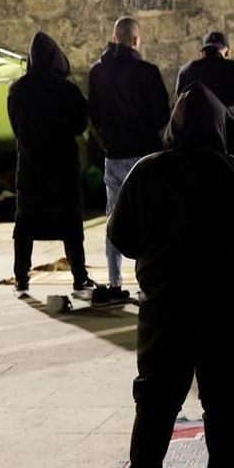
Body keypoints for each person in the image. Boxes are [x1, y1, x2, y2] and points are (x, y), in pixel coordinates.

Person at [108, 83, 234, 468]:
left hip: (164, 306)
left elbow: (120, 236)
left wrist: (160, 253)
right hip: (224, 306)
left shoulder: (146, 171)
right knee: (223, 399)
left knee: (156, 398)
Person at [7, 32, 95, 299]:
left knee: (26, 224)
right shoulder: (67, 90)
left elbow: (16, 128)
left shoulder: (17, 90)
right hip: (62, 169)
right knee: (69, 223)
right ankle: (79, 276)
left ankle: (21, 277)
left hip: (31, 168)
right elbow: (81, 124)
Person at [89, 16, 170, 296]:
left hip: (114, 154)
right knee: (149, 216)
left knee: (114, 217)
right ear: (136, 40)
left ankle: (114, 279)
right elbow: (162, 117)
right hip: (146, 156)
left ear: (114, 38)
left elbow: (95, 116)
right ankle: (148, 280)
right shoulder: (148, 72)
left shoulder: (97, 73)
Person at [176, 31, 234, 161]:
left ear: (202, 52)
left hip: (197, 144)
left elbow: (180, 111)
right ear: (227, 52)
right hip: (233, 142)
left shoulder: (186, 71)